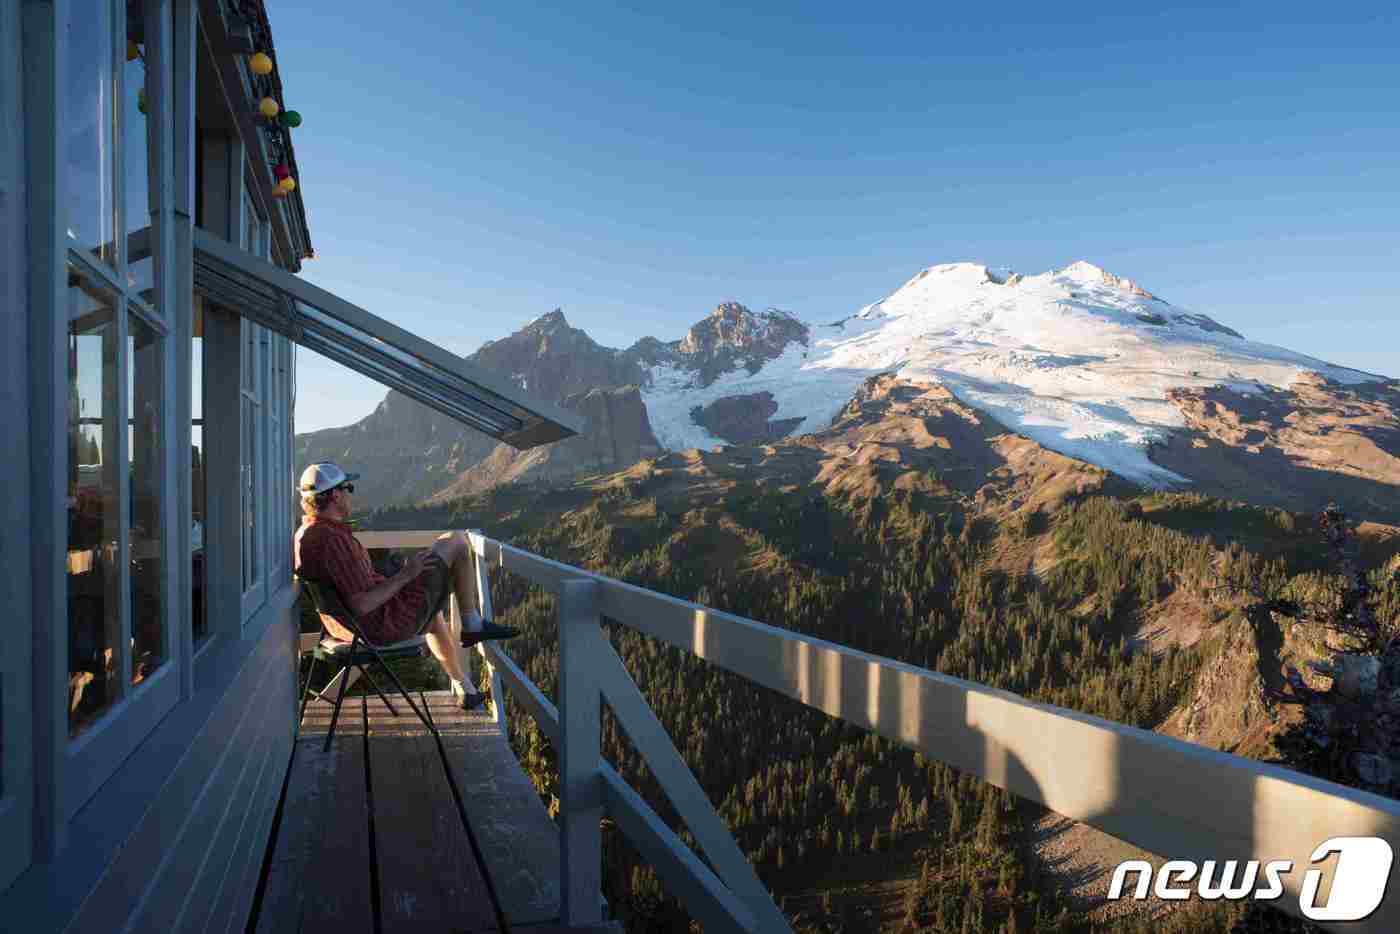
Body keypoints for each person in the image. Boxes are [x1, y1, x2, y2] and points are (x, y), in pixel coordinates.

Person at [293, 462, 518, 710]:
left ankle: (465, 688)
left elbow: (352, 588)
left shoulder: (307, 533)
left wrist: (394, 575)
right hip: (378, 625)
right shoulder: (333, 540)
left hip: (346, 627)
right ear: (335, 495)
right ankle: (472, 623)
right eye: (348, 488)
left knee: (432, 617)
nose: (350, 495)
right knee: (456, 540)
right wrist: (407, 575)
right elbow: (361, 604)